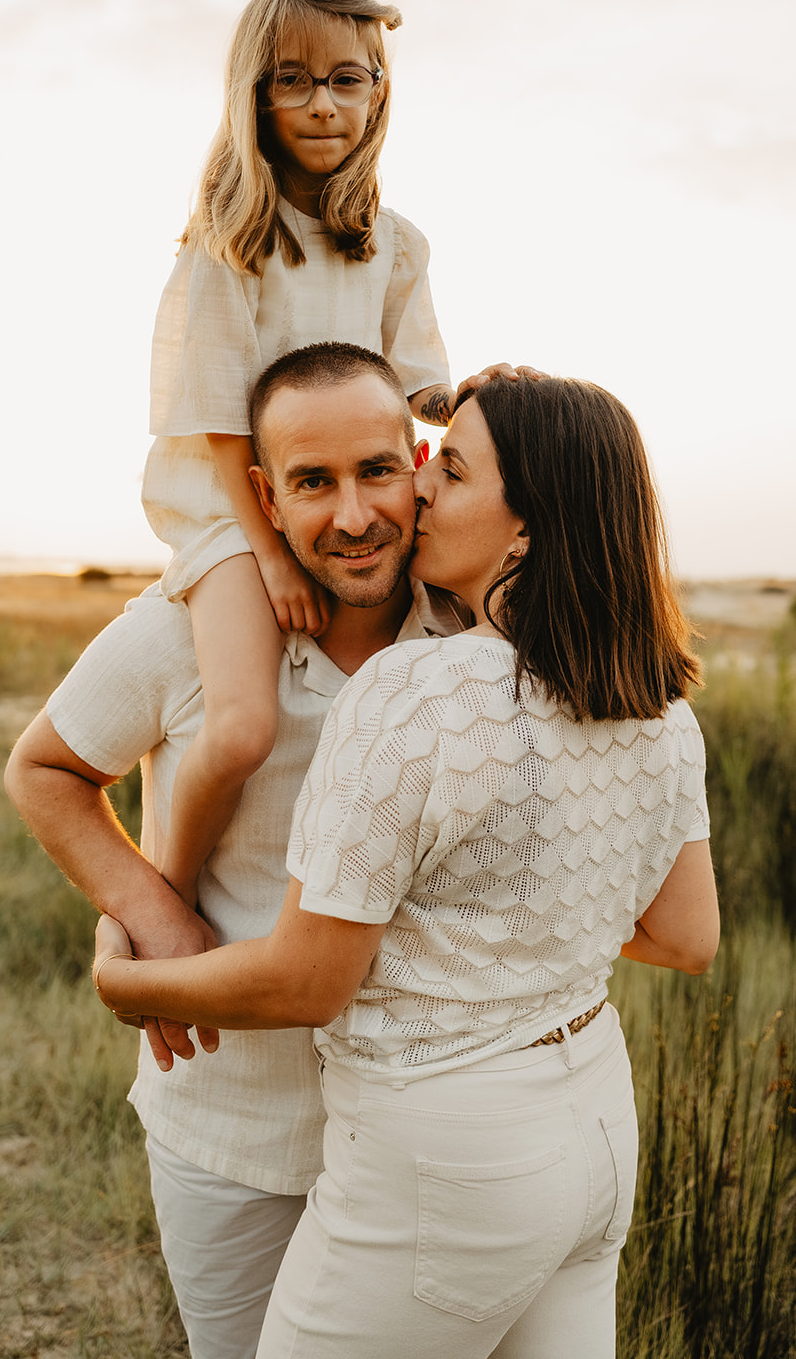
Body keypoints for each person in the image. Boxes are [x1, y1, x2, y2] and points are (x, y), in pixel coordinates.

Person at [92, 374, 722, 1359]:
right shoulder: (655, 705)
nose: (420, 490)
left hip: (447, 1161)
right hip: (595, 1123)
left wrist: (127, 980)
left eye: (452, 470)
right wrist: (499, 934)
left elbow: (309, 979)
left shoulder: (415, 690)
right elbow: (687, 937)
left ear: (524, 530)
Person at [5, 344, 484, 1359]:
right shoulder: (191, 632)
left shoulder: (471, 638)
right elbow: (43, 769)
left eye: (375, 471)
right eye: (313, 481)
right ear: (264, 494)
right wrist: (153, 914)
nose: (352, 515)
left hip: (421, 1142)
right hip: (229, 1133)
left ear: (419, 461)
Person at [142, 0, 455, 912]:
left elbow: (419, 385)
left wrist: (485, 397)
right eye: (293, 80)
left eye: (347, 79)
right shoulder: (233, 240)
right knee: (242, 728)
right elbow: (212, 415)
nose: (323, 104)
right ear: (255, 95)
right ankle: (159, 900)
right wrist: (271, 558)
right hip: (235, 509)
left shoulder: (392, 243)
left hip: (350, 493)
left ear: (378, 91)